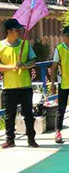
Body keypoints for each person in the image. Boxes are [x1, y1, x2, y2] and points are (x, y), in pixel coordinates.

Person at [0, 18, 38, 149]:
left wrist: (26, 65)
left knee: (28, 114)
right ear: (9, 31)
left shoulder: (25, 44)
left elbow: (33, 60)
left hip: (25, 85)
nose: (20, 31)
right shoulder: (1, 46)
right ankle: (10, 139)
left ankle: (31, 139)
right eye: (17, 30)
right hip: (9, 87)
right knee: (9, 116)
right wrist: (11, 67)